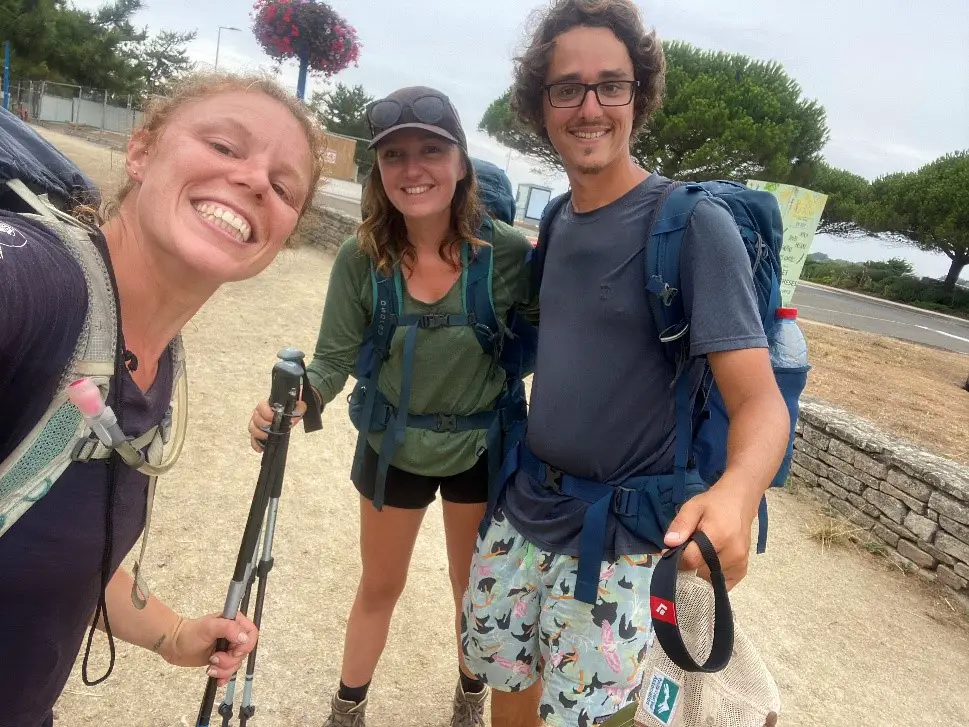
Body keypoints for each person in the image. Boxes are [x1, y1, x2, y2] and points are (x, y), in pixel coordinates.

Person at [460, 2, 792, 726]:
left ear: (638, 96)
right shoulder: (556, 218)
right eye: (566, 88)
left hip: (618, 544)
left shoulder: (691, 225)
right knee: (504, 692)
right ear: (538, 105)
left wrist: (735, 494)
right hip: (522, 513)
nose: (589, 106)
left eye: (610, 85)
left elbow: (762, 401)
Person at [0, 70, 326, 727]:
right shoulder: (37, 283)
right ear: (142, 151)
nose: (256, 179)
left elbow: (50, 549)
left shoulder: (155, 361)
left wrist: (173, 635)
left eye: (284, 184)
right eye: (225, 147)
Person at [248, 86, 537, 727]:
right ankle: (347, 708)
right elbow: (330, 360)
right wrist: (300, 397)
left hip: (479, 450)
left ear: (460, 162)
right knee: (380, 586)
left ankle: (470, 695)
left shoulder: (509, 256)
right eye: (395, 155)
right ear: (377, 171)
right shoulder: (362, 257)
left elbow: (554, 343)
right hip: (391, 448)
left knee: (473, 591)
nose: (413, 170)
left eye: (431, 151)